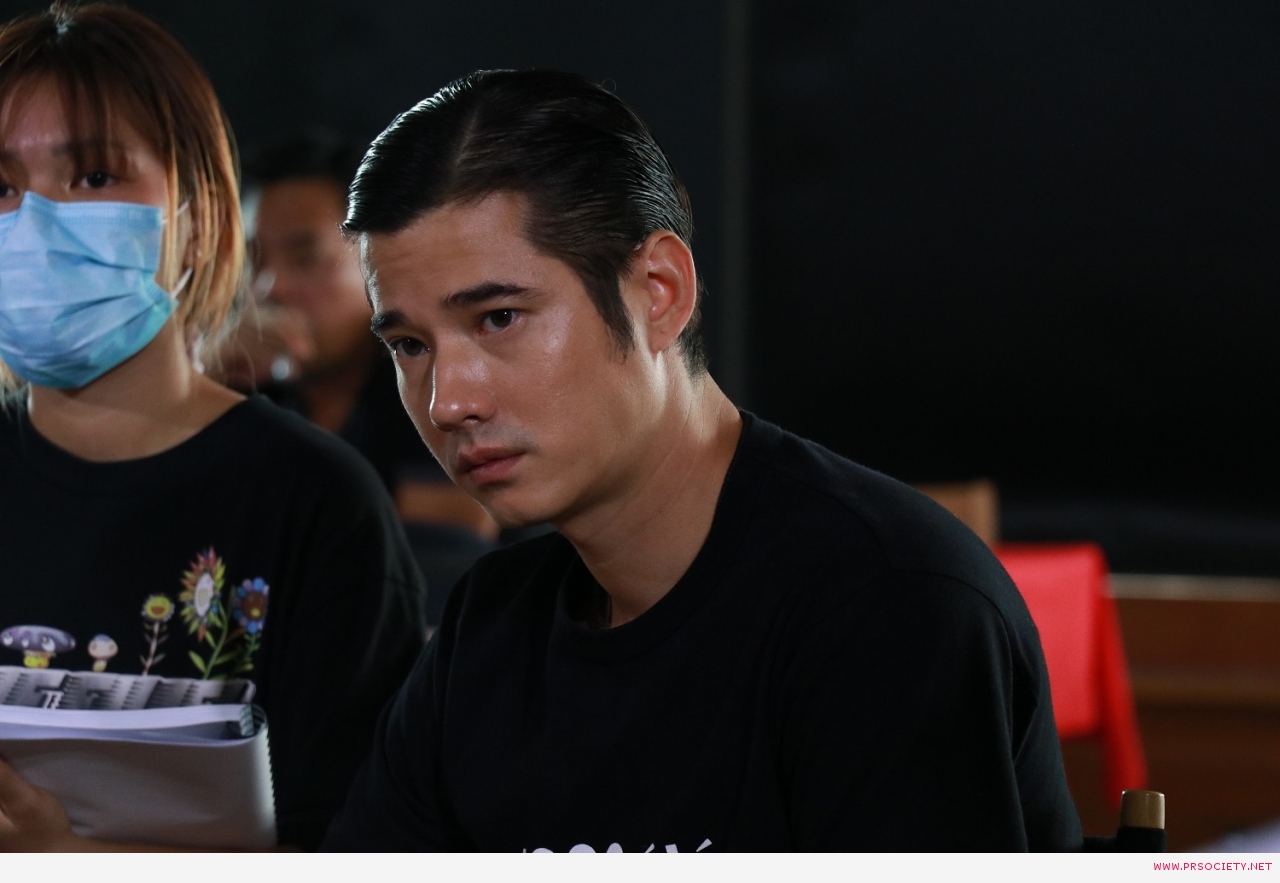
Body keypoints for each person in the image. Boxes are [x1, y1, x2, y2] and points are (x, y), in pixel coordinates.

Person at [320, 69, 1083, 852]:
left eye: (499, 317)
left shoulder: (888, 606)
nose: (448, 401)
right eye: (409, 345)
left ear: (659, 292)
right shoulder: (488, 629)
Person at [0, 4, 426, 851]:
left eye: (94, 177)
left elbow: (361, 843)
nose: (35, 222)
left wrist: (70, 862)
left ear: (196, 216)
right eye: (1, 186)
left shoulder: (314, 503)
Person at [227, 130, 500, 620]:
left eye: (305, 257)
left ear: (377, 259)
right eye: (255, 261)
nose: (270, 288)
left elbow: (439, 562)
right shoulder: (241, 394)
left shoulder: (437, 386)